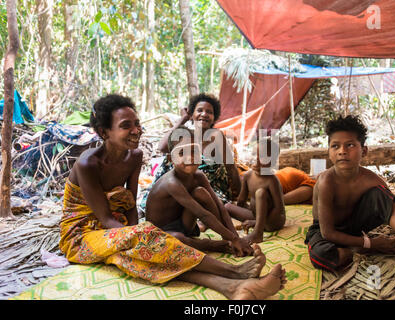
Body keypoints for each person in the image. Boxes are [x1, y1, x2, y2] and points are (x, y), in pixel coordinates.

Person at [59, 94, 286, 300]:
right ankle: (234, 272)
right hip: (83, 234)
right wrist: (139, 234)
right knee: (148, 242)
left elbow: (129, 201)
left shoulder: (135, 156)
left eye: (137, 123)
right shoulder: (88, 164)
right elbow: (106, 219)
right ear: (104, 132)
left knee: (148, 254)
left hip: (119, 227)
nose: (136, 130)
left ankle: (231, 288)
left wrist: (139, 231)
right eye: (126, 126)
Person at [305, 115, 395, 281]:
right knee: (321, 256)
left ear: (364, 151)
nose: (342, 151)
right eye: (335, 146)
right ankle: (358, 249)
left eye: (350, 145)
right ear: (329, 152)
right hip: (326, 232)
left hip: (356, 225)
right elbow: (328, 233)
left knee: (381, 195)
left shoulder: (371, 179)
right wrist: (371, 244)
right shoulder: (326, 182)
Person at [145, 126, 253, 256]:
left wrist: (235, 237)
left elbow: (219, 206)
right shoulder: (172, 183)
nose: (190, 157)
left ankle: (227, 240)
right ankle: (212, 245)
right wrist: (234, 239)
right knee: (177, 240)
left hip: (183, 224)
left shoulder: (199, 176)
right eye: (181, 153)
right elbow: (202, 214)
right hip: (161, 232)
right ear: (170, 159)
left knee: (200, 192)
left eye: (193, 151)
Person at [153, 93, 241, 204]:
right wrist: (184, 118)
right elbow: (162, 147)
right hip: (184, 183)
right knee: (169, 159)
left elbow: (230, 167)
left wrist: (238, 196)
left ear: (214, 118)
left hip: (209, 188)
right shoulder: (186, 135)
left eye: (209, 112)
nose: (204, 114)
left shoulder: (216, 136)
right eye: (199, 110)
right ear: (192, 114)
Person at [225, 136, 286, 244]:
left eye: (263, 157)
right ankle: (230, 234)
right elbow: (241, 202)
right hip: (256, 215)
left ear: (272, 161)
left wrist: (256, 223)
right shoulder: (248, 175)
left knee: (260, 193)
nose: (257, 159)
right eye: (255, 155)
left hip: (272, 221)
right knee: (227, 206)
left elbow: (279, 210)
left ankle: (258, 233)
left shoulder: (272, 180)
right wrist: (242, 210)